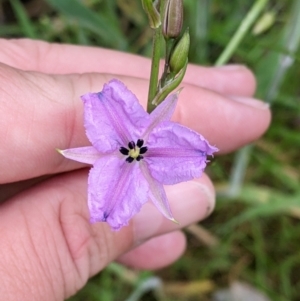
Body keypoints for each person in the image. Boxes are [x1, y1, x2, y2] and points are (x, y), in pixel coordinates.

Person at [0, 38, 271, 301]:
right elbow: (105, 103)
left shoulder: (149, 147)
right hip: (118, 148)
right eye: (133, 151)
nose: (134, 151)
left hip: (136, 149)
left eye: (135, 150)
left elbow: (192, 152)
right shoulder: (115, 119)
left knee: (193, 151)